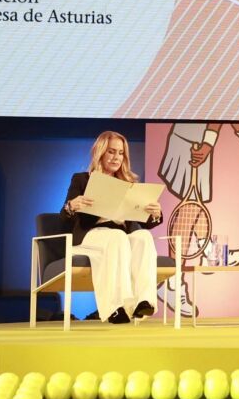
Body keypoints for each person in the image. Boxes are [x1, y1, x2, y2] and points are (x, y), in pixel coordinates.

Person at [61, 131, 165, 324]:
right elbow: (64, 216)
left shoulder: (129, 183)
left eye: (121, 153)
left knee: (142, 236)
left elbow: (145, 222)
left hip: (120, 238)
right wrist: (71, 206)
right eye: (111, 152)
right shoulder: (81, 179)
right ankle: (116, 307)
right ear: (100, 152)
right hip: (90, 236)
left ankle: (144, 301)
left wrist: (155, 213)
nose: (117, 157)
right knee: (116, 237)